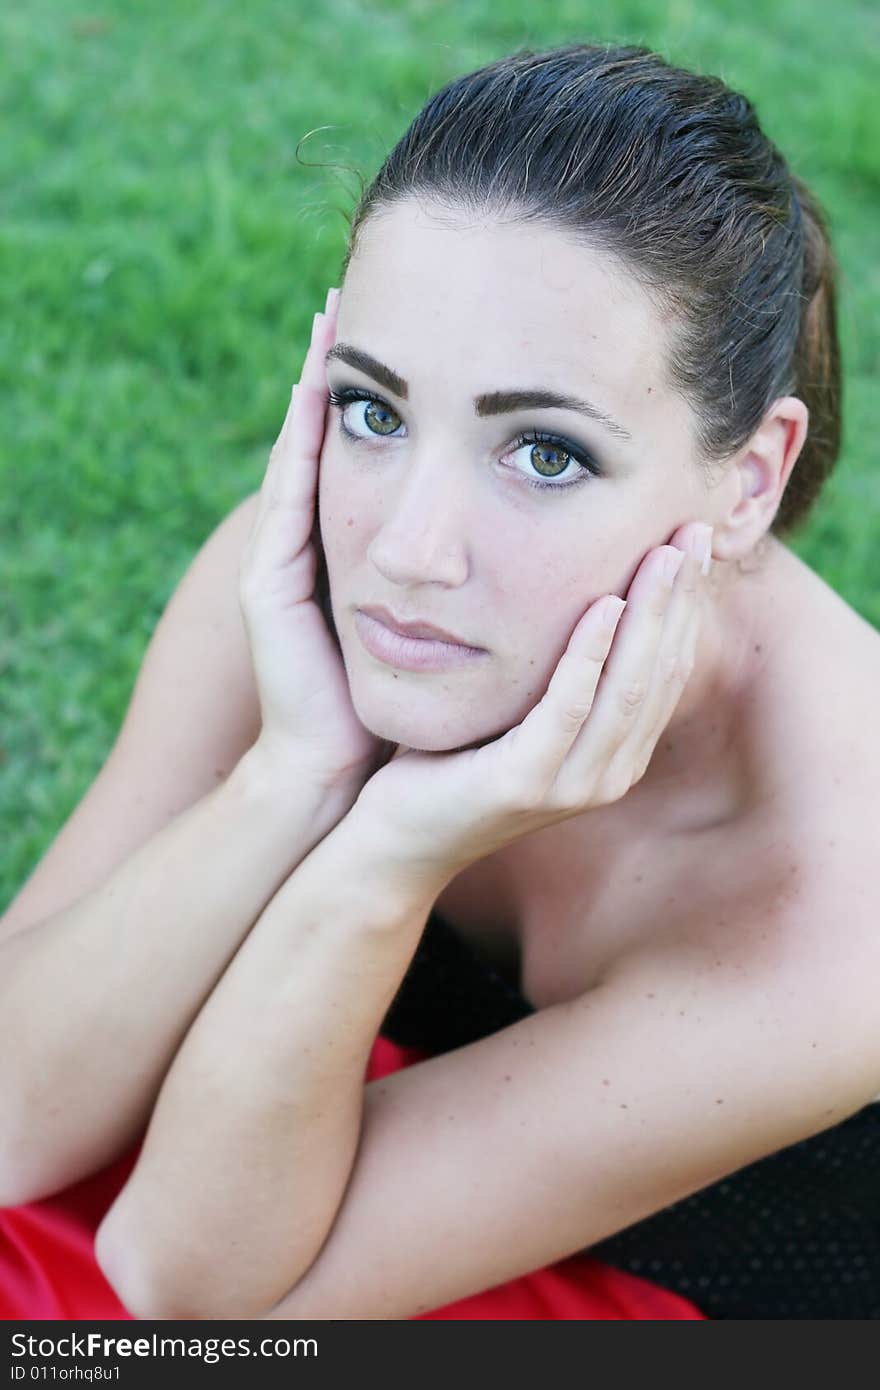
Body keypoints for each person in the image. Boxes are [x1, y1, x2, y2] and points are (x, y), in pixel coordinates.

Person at [1, 40, 877, 1322]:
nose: (409, 553)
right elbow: (16, 1119)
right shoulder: (299, 566)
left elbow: (183, 1298)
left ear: (746, 478)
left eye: (544, 451)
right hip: (293, 1166)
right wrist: (290, 777)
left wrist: (384, 860)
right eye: (374, 412)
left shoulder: (843, 891)